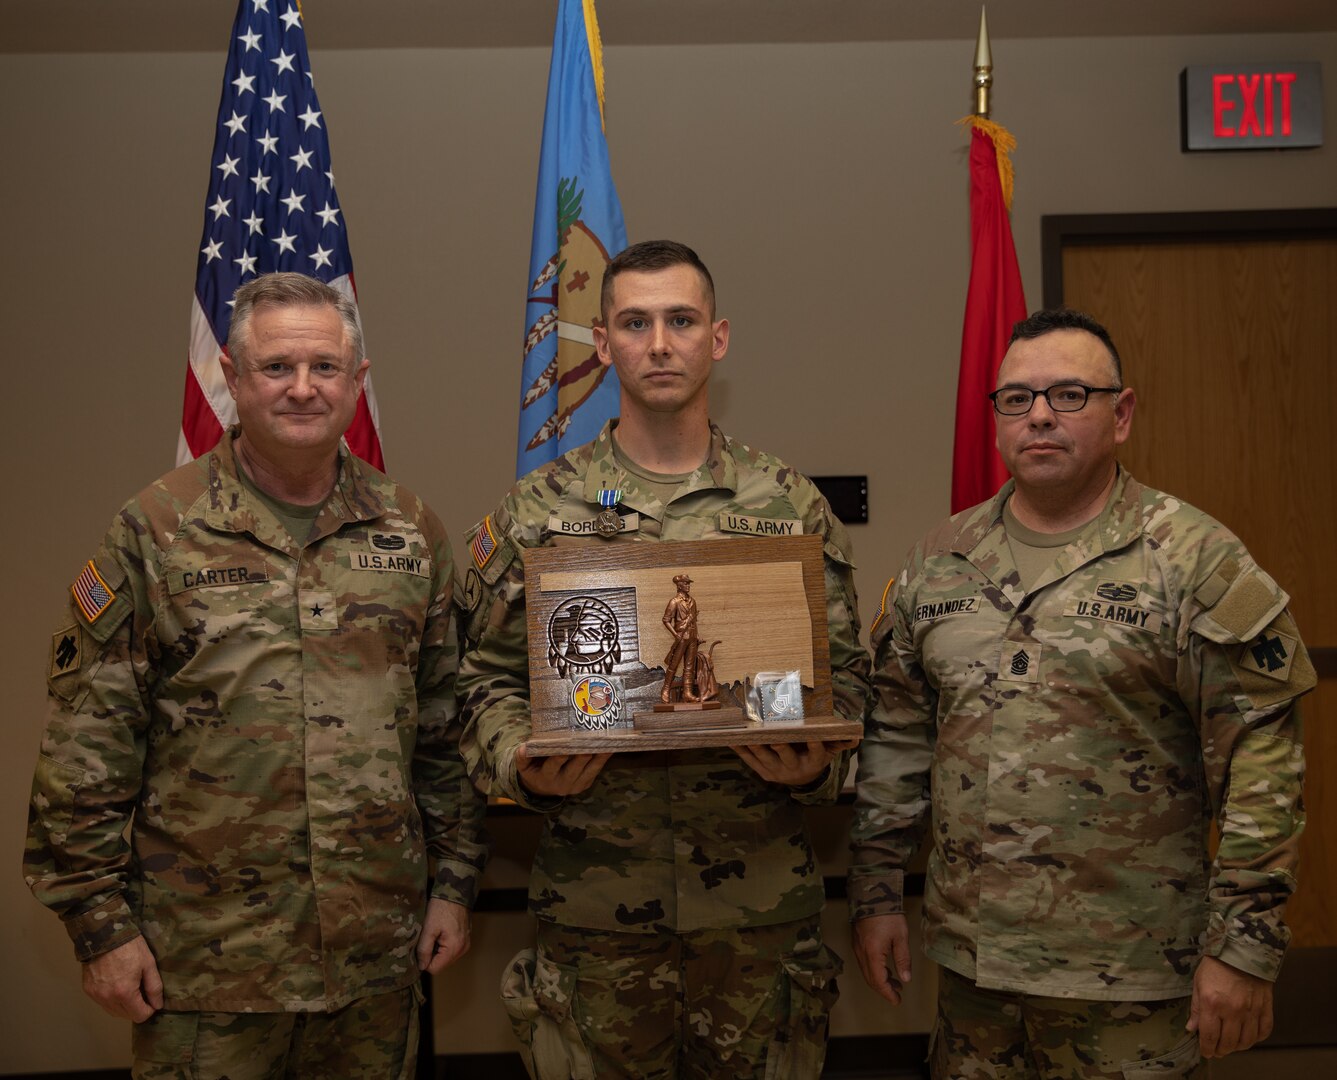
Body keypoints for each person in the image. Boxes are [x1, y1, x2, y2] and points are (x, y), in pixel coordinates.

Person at [25, 272, 488, 1079]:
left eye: (324, 368)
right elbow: (86, 748)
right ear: (231, 380)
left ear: (358, 383)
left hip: (372, 961)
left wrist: (453, 884)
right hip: (205, 967)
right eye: (276, 368)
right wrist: (100, 926)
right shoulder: (157, 530)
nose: (302, 389)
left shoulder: (411, 531)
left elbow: (444, 733)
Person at [849, 308, 1315, 1078]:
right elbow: (895, 743)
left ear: (1120, 413)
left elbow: (1262, 766)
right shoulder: (938, 563)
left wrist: (1243, 948)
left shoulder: (1192, 561)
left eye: (1069, 395)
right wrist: (873, 897)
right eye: (1016, 398)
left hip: (1130, 973)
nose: (1038, 415)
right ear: (995, 419)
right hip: (972, 973)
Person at [458, 240, 870, 1078]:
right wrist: (522, 765)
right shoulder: (540, 509)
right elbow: (480, 681)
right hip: (595, 913)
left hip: (756, 911)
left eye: (680, 320)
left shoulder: (789, 504)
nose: (658, 343)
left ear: (717, 338)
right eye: (633, 322)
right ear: (602, 344)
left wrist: (810, 766)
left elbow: (850, 678)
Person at [660, 573, 700, 702]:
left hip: (692, 637)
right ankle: (665, 689)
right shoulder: (674, 602)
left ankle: (687, 693)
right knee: (674, 665)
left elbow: (694, 621)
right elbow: (666, 620)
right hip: (681, 637)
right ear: (679, 585)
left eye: (689, 583)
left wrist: (697, 636)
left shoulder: (692, 601)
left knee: (689, 667)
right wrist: (675, 634)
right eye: (686, 583)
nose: (688, 586)